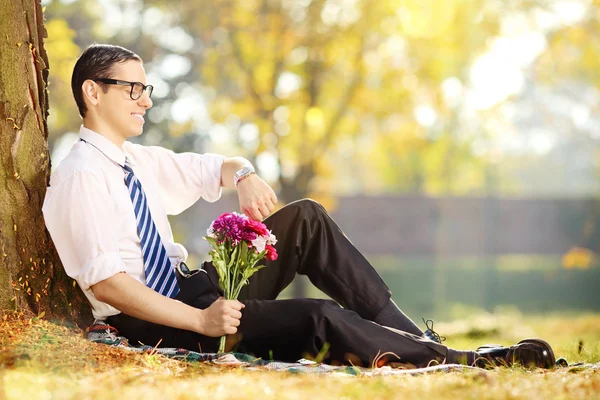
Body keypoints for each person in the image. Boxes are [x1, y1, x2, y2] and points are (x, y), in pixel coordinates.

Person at [42, 44, 555, 369]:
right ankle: (463, 360)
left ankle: (413, 338)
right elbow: (109, 284)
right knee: (316, 317)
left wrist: (242, 175)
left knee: (305, 216)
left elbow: (217, 166)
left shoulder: (139, 160)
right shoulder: (79, 178)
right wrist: (198, 324)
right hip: (157, 320)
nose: (145, 99)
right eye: (132, 88)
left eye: (145, 87)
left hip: (198, 290)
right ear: (92, 91)